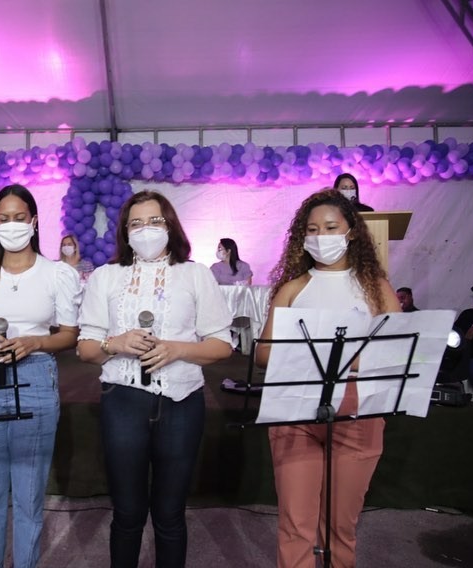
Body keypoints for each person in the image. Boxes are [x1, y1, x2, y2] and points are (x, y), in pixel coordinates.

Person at [77, 190, 233, 567]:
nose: (145, 229)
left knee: (170, 513)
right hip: (123, 402)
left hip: (182, 402)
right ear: (125, 231)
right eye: (136, 223)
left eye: (154, 221)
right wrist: (115, 343)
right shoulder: (106, 276)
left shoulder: (195, 274)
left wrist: (177, 349)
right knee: (127, 513)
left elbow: (221, 345)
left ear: (170, 226)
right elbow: (85, 349)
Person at [255, 188, 399, 568]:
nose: (321, 237)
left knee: (340, 525)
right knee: (295, 523)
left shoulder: (376, 288)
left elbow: (395, 349)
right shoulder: (293, 288)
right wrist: (314, 355)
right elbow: (263, 353)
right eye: (312, 229)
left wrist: (348, 359)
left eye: (331, 227)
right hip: (295, 410)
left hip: (358, 410)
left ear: (351, 231)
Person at [0, 184, 81, 568]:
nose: (11, 225)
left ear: (34, 221)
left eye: (18, 218)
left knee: (29, 498)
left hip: (35, 376)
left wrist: (35, 342)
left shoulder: (55, 273)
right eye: (3, 219)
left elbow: (69, 335)